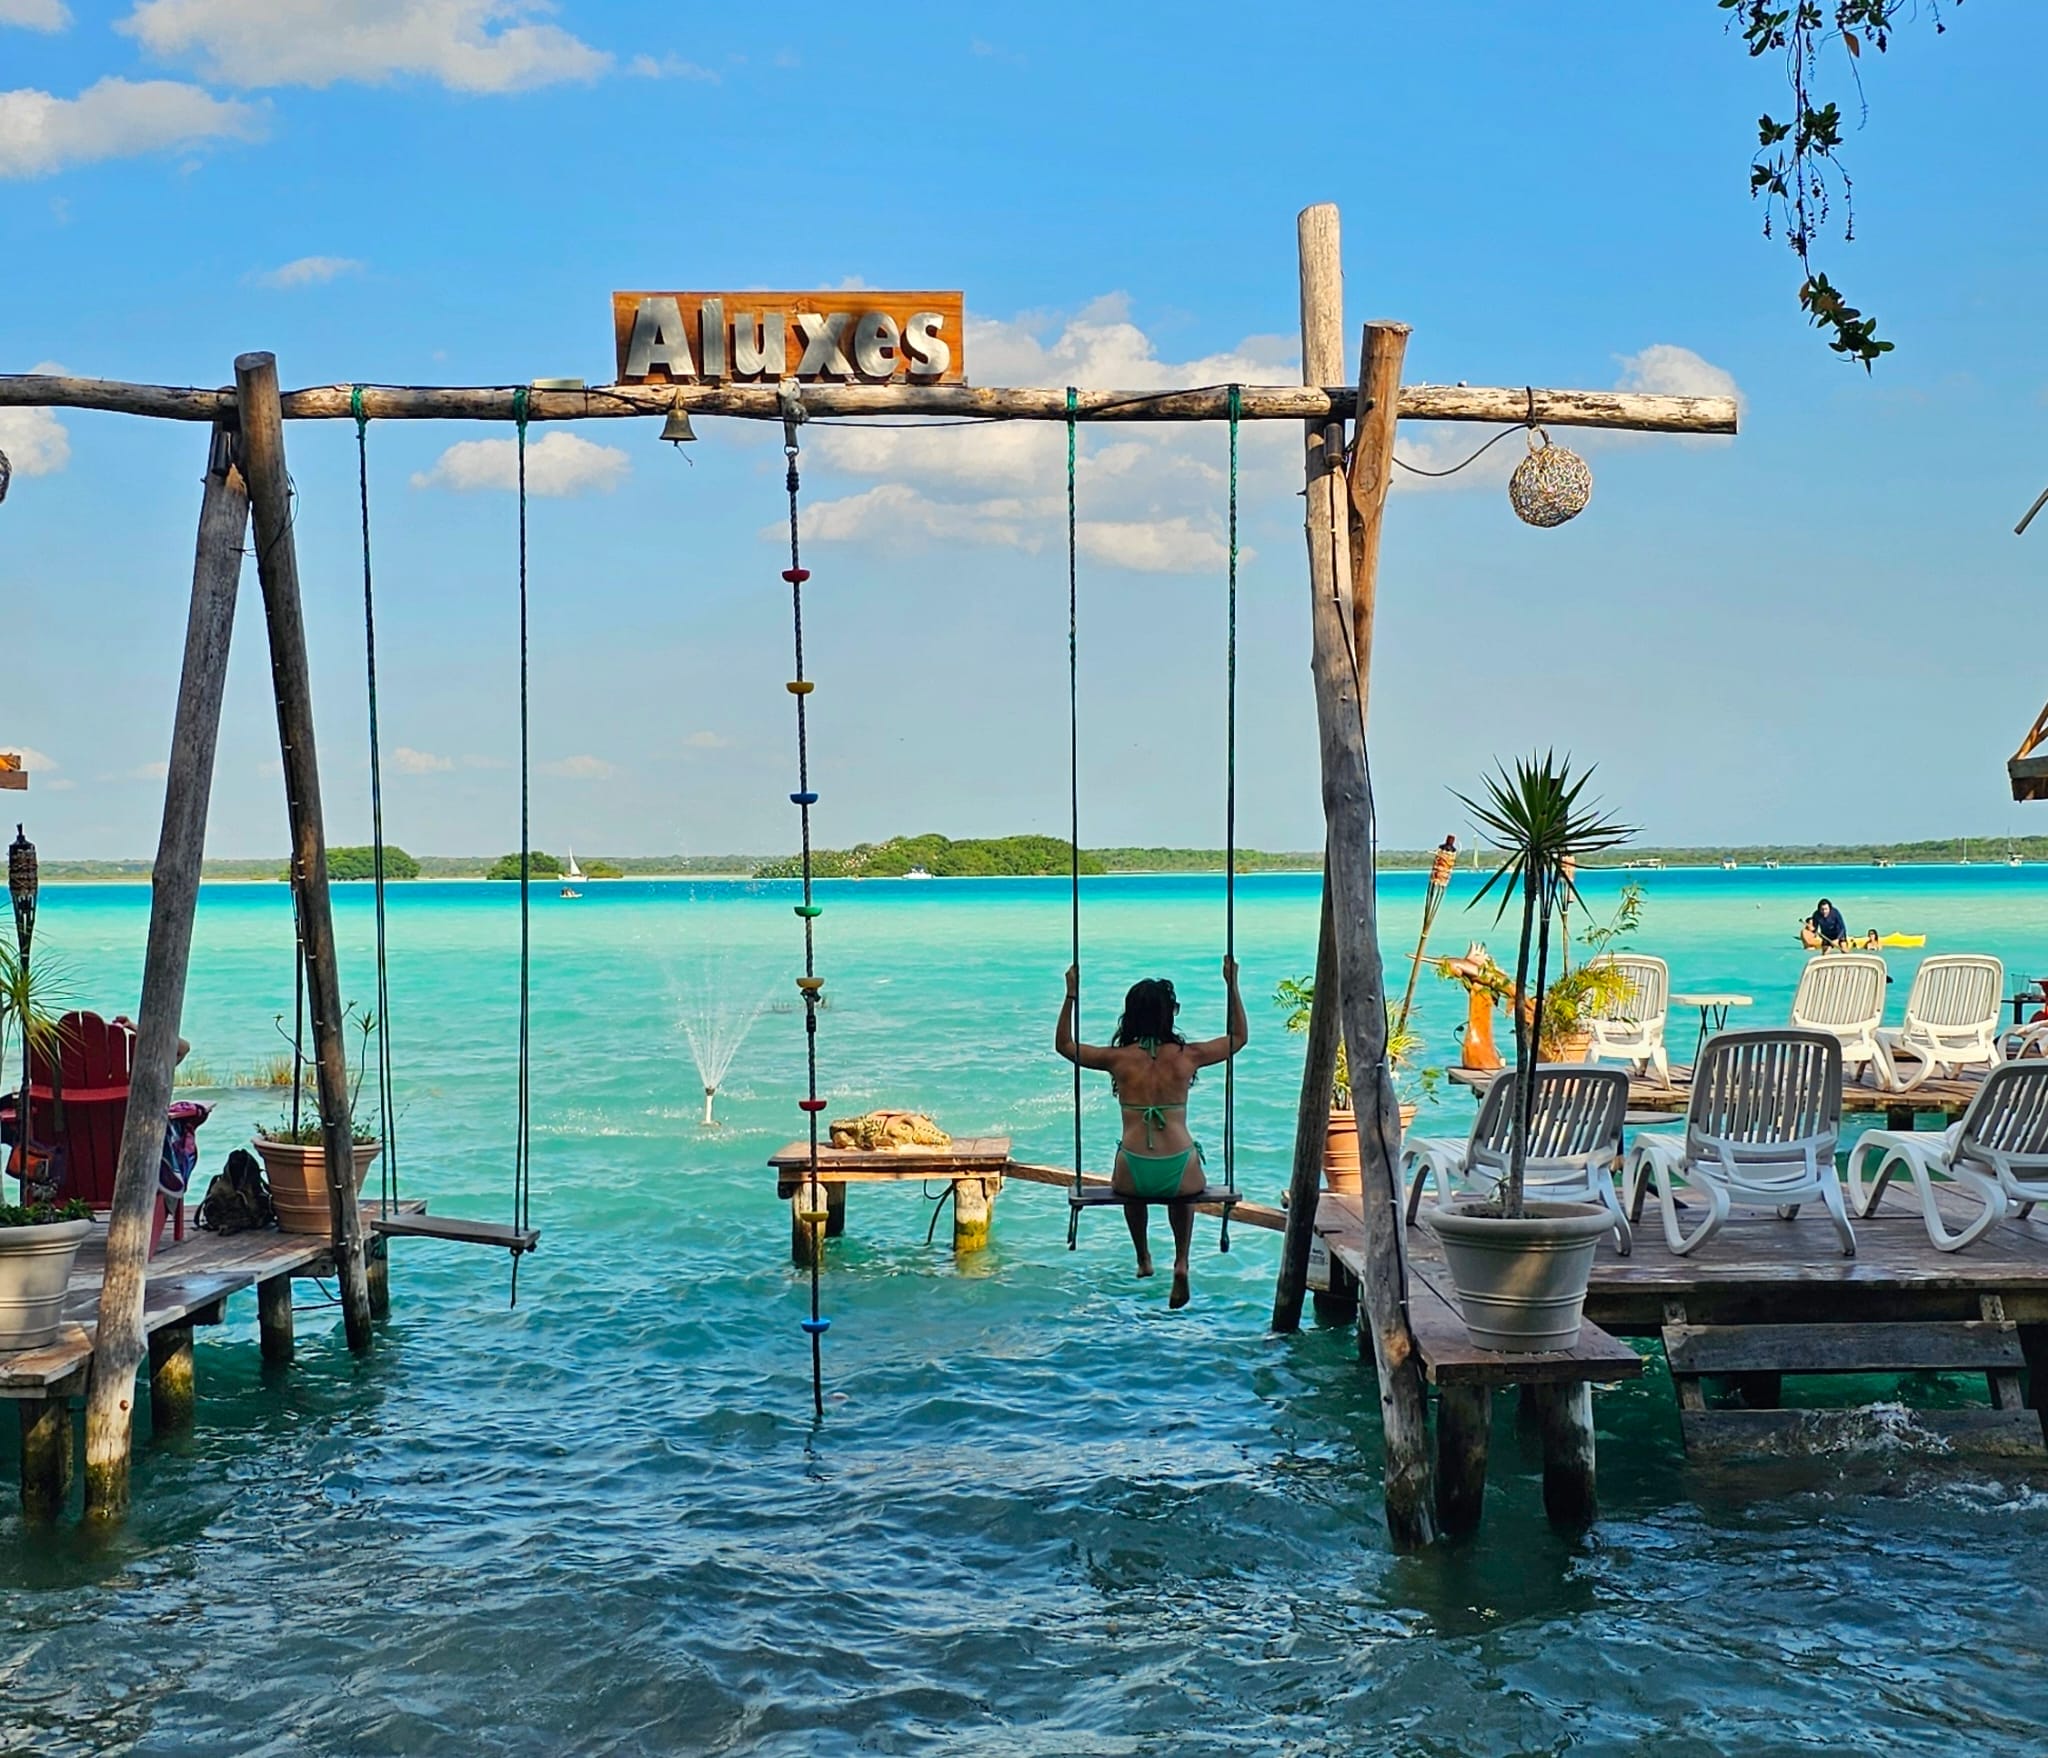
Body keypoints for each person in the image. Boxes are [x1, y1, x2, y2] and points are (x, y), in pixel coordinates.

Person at [1056, 959, 1248, 1309]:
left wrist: (1070, 994)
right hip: (1181, 1167)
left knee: (1133, 1193)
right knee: (1183, 1197)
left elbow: (1066, 1046)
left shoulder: (1118, 1059)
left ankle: (1143, 1257)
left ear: (1130, 1016)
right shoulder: (1189, 1056)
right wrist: (1231, 984)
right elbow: (1239, 1038)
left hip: (1133, 1167)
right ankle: (1181, 1262)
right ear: (1168, 1016)